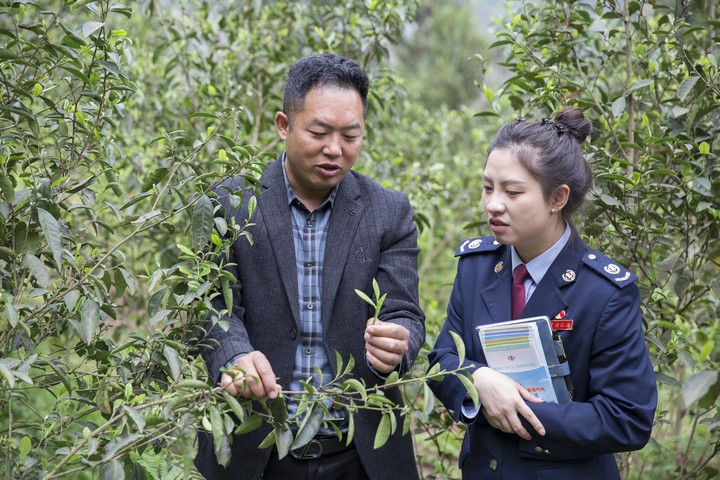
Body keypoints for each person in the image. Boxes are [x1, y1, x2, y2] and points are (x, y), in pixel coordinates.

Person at [195, 53, 425, 480]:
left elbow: (404, 312)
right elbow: (210, 307)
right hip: (256, 449)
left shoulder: (387, 212)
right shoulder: (229, 203)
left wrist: (399, 343)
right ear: (284, 125)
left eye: (350, 136)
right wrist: (235, 355)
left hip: (360, 453)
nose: (334, 149)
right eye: (318, 132)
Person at [427, 107, 657, 479]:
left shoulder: (604, 292)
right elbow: (442, 360)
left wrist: (513, 407)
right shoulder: (476, 267)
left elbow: (627, 417)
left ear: (557, 198)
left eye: (512, 191)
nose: (492, 204)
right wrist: (478, 380)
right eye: (488, 187)